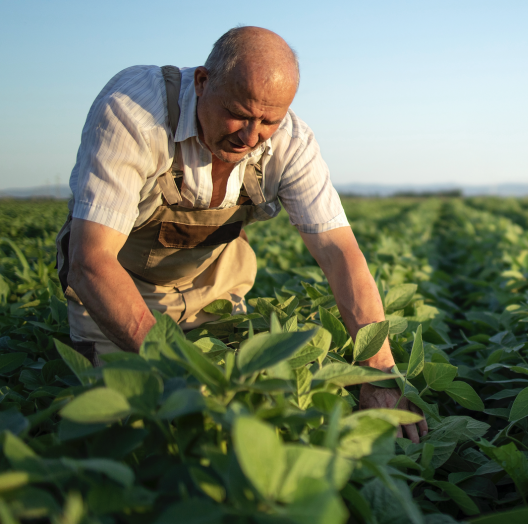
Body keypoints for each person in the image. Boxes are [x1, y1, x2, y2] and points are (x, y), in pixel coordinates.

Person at [56, 26, 427, 442]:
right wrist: (183, 374)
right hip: (119, 291)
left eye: (269, 120)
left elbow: (340, 254)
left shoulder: (292, 143)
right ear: (202, 82)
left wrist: (377, 375)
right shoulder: (134, 112)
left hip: (214, 287)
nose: (251, 137)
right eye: (239, 113)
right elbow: (90, 263)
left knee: (247, 422)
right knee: (130, 428)